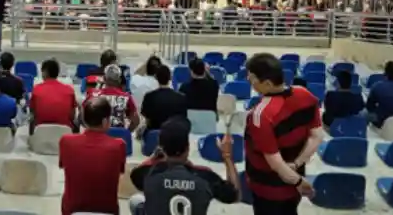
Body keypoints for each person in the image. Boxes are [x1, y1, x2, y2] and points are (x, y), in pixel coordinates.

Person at [244, 53, 322, 214]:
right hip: (294, 184)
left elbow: (276, 163)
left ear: (266, 83)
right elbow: (317, 136)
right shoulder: (304, 94)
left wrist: (298, 182)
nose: (248, 80)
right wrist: (297, 165)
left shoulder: (261, 115)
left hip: (269, 189)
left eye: (252, 78)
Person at [129, 118, 240, 215]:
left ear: (162, 149)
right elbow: (235, 195)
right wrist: (227, 156)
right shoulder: (205, 176)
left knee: (135, 200)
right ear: (187, 148)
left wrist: (154, 156)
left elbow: (135, 174)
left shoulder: (149, 173)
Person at [60, 97, 128, 215]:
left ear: (83, 119)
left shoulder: (65, 141)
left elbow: (64, 165)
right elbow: (120, 171)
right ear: (105, 121)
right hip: (108, 211)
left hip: (72, 210)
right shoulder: (119, 145)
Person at [29, 58, 79, 132]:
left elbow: (33, 112)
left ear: (45, 72)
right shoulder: (69, 90)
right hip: (64, 133)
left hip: (41, 133)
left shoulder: (36, 89)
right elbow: (72, 116)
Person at [86, 65, 140, 131]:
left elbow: (82, 117)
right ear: (119, 80)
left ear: (104, 79)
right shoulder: (127, 97)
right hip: (118, 137)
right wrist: (125, 133)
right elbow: (136, 121)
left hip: (98, 136)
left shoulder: (93, 95)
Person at [140, 64, 187, 133]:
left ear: (156, 77)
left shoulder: (149, 96)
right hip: (174, 135)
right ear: (170, 78)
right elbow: (183, 119)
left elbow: (147, 119)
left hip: (154, 135)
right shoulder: (181, 98)